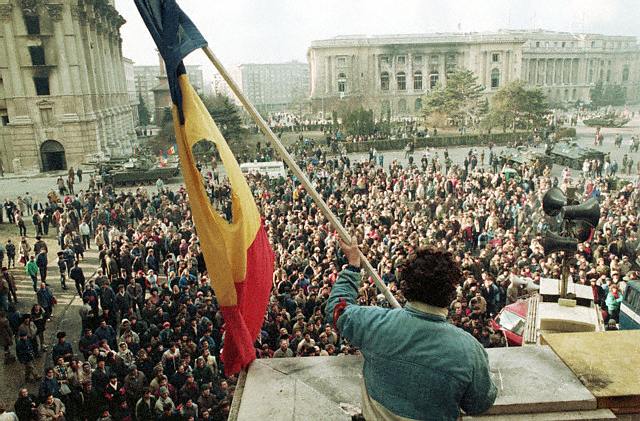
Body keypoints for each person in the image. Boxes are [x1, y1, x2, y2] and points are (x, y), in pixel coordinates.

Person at [326, 238, 496, 420]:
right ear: (451, 293)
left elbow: (337, 308)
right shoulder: (469, 350)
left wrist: (353, 266)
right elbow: (478, 404)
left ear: (405, 285)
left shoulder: (374, 323)